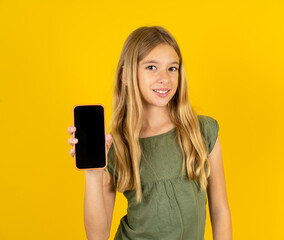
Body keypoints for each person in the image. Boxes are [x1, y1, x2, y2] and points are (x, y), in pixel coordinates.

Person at [67, 26, 232, 240]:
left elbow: (220, 212)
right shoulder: (116, 146)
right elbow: (97, 236)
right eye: (152, 67)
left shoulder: (202, 132)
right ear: (126, 75)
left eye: (172, 68)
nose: (164, 78)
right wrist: (93, 175)